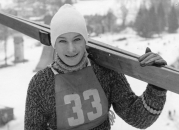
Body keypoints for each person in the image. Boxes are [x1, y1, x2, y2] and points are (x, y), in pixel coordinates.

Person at [24, 4, 168, 130]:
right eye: (62, 41)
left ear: (85, 40)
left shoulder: (105, 72)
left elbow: (137, 117)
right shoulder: (40, 84)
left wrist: (157, 85)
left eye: (77, 39)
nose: (71, 49)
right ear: (54, 44)